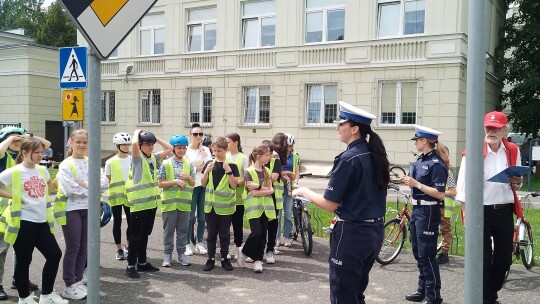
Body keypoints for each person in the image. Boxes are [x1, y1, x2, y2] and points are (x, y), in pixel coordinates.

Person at [292, 101, 389, 304]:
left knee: (342, 296)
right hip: (374, 232)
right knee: (355, 294)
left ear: (354, 129)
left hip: (352, 234)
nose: (337, 128)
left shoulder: (349, 158)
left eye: (341, 124)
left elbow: (330, 204)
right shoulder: (375, 155)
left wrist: (305, 191)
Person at [456, 111, 523, 304]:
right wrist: (466, 212)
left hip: (504, 210)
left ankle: (488, 294)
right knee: (482, 260)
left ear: (504, 130)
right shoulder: (473, 150)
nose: (491, 130)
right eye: (488, 127)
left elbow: (515, 181)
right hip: (480, 212)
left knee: (504, 260)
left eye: (496, 127)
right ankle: (487, 299)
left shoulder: (512, 150)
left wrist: (517, 182)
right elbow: (462, 186)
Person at [0, 138, 68, 304]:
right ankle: (24, 298)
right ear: (24, 153)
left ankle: (46, 295)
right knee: (24, 260)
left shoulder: (42, 170)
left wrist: (58, 183)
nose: (40, 155)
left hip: (41, 221)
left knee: (54, 255)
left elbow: (47, 186)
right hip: (23, 222)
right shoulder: (13, 172)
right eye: (36, 152)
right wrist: (14, 196)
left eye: (41, 152)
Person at [55, 129, 108, 299]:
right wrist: (92, 188)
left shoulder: (91, 161)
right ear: (70, 142)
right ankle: (69, 285)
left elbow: (105, 183)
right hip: (71, 209)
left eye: (85, 142)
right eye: (78, 141)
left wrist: (84, 184)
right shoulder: (65, 164)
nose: (82, 145)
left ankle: (78, 281)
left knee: (85, 248)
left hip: (89, 209)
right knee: (73, 247)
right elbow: (70, 190)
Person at [401, 125, 448, 304]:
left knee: (427, 255)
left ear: (425, 141)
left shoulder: (436, 164)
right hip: (418, 210)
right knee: (418, 253)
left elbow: (439, 193)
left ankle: (433, 296)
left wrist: (417, 184)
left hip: (428, 211)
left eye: (417, 140)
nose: (416, 143)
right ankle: (422, 290)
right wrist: (411, 184)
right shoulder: (421, 161)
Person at [0, 127, 49, 296]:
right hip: (8, 212)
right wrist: (12, 138)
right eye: (13, 140)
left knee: (21, 254)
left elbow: (46, 144)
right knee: (2, 250)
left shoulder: (28, 159)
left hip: (27, 215)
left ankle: (19, 281)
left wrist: (29, 137)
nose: (16, 142)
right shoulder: (4, 156)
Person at [125, 130, 172, 279]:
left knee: (145, 235)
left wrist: (154, 137)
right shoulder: (137, 159)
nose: (151, 147)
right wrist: (137, 132)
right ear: (140, 145)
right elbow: (133, 144)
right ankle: (131, 265)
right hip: (139, 206)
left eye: (152, 144)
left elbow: (169, 149)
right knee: (135, 237)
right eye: (147, 144)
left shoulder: (153, 158)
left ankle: (142, 262)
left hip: (151, 205)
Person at [200, 137, 239, 271]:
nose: (216, 153)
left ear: (226, 150)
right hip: (210, 206)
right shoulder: (209, 163)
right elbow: (204, 183)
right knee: (211, 234)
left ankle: (224, 258)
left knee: (224, 234)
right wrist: (206, 172)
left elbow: (234, 186)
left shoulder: (232, 165)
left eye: (219, 151)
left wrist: (229, 171)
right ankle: (210, 258)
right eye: (214, 151)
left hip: (225, 207)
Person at [158, 135, 195, 267]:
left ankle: (181, 254)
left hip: (184, 205)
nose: (182, 150)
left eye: (184, 148)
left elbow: (193, 183)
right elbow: (160, 183)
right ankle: (167, 255)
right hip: (169, 204)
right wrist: (174, 181)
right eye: (179, 148)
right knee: (168, 231)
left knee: (183, 231)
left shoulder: (188, 164)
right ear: (173, 149)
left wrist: (189, 178)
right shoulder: (166, 163)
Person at [237, 144, 275, 273]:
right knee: (256, 232)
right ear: (259, 156)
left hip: (266, 208)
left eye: (269, 155)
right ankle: (244, 253)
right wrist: (263, 189)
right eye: (266, 155)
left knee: (263, 234)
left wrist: (258, 187)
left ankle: (258, 260)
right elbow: (253, 193)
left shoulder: (267, 171)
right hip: (254, 208)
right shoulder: (249, 171)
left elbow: (272, 190)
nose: (269, 157)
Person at [104, 132, 132, 261]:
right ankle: (119, 249)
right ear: (117, 145)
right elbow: (108, 178)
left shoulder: (132, 159)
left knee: (131, 222)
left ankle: (128, 244)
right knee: (117, 222)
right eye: (123, 144)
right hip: (115, 195)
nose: (126, 146)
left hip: (129, 195)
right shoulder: (110, 162)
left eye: (128, 144)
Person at [185, 123, 212, 256]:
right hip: (191, 186)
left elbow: (209, 164)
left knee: (202, 217)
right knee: (190, 217)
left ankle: (200, 242)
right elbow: (187, 170)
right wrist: (200, 167)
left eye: (200, 134)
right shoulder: (185, 150)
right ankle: (188, 244)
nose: (198, 136)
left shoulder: (206, 150)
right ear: (190, 136)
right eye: (195, 134)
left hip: (203, 185)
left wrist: (202, 151)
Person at [225, 133, 249, 260]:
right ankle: (227, 248)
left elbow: (246, 176)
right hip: (225, 197)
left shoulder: (243, 158)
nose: (226, 144)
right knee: (226, 225)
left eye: (228, 142)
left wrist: (235, 182)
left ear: (236, 143)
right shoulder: (225, 156)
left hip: (239, 199)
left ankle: (239, 249)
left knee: (237, 225)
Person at [436, 148, 456, 265]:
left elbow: (453, 191)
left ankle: (444, 253)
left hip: (444, 205)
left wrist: (439, 193)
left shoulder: (448, 173)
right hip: (436, 204)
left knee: (445, 229)